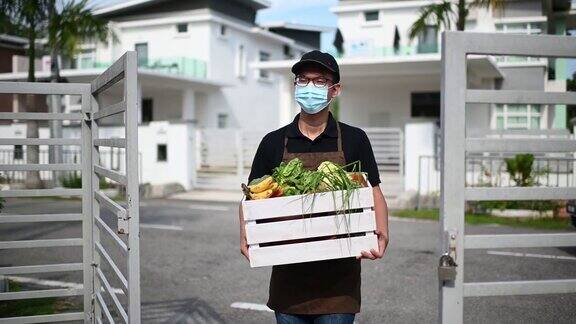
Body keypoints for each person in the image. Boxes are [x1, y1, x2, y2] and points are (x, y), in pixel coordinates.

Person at [238, 50, 389, 324]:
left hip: (339, 285)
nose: (310, 87)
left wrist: (382, 234)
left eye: (320, 81)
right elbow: (250, 197)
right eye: (303, 80)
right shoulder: (273, 142)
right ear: (295, 85)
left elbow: (374, 191)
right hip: (288, 281)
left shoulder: (355, 139)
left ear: (335, 90)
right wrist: (245, 235)